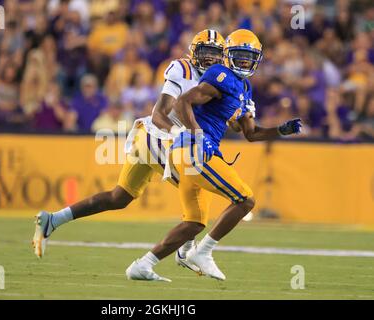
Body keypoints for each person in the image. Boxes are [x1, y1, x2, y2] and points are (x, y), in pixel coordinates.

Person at [32, 30, 227, 277]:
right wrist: (179, 134)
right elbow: (159, 114)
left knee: (119, 197)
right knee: (197, 186)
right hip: (156, 136)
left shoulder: (220, 80)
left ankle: (52, 220)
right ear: (193, 53)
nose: (209, 60)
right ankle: (184, 251)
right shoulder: (182, 69)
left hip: (158, 141)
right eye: (205, 53)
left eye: (214, 54)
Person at [126, 29, 302, 281]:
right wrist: (198, 134)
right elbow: (182, 102)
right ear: (228, 55)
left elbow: (251, 133)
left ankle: (143, 265)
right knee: (245, 200)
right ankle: (203, 252)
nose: (243, 62)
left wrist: (281, 130)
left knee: (195, 223)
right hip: (192, 149)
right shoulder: (221, 75)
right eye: (239, 56)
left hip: (197, 151)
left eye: (248, 57)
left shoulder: (244, 87)